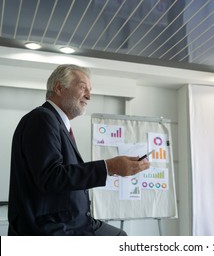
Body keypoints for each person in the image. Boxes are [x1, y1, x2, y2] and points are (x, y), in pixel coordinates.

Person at [8, 64, 151, 236]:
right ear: (59, 87)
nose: (89, 96)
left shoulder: (57, 124)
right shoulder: (42, 118)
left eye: (90, 90)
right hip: (50, 228)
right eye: (83, 87)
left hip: (74, 222)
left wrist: (111, 168)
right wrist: (109, 167)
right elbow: (51, 177)